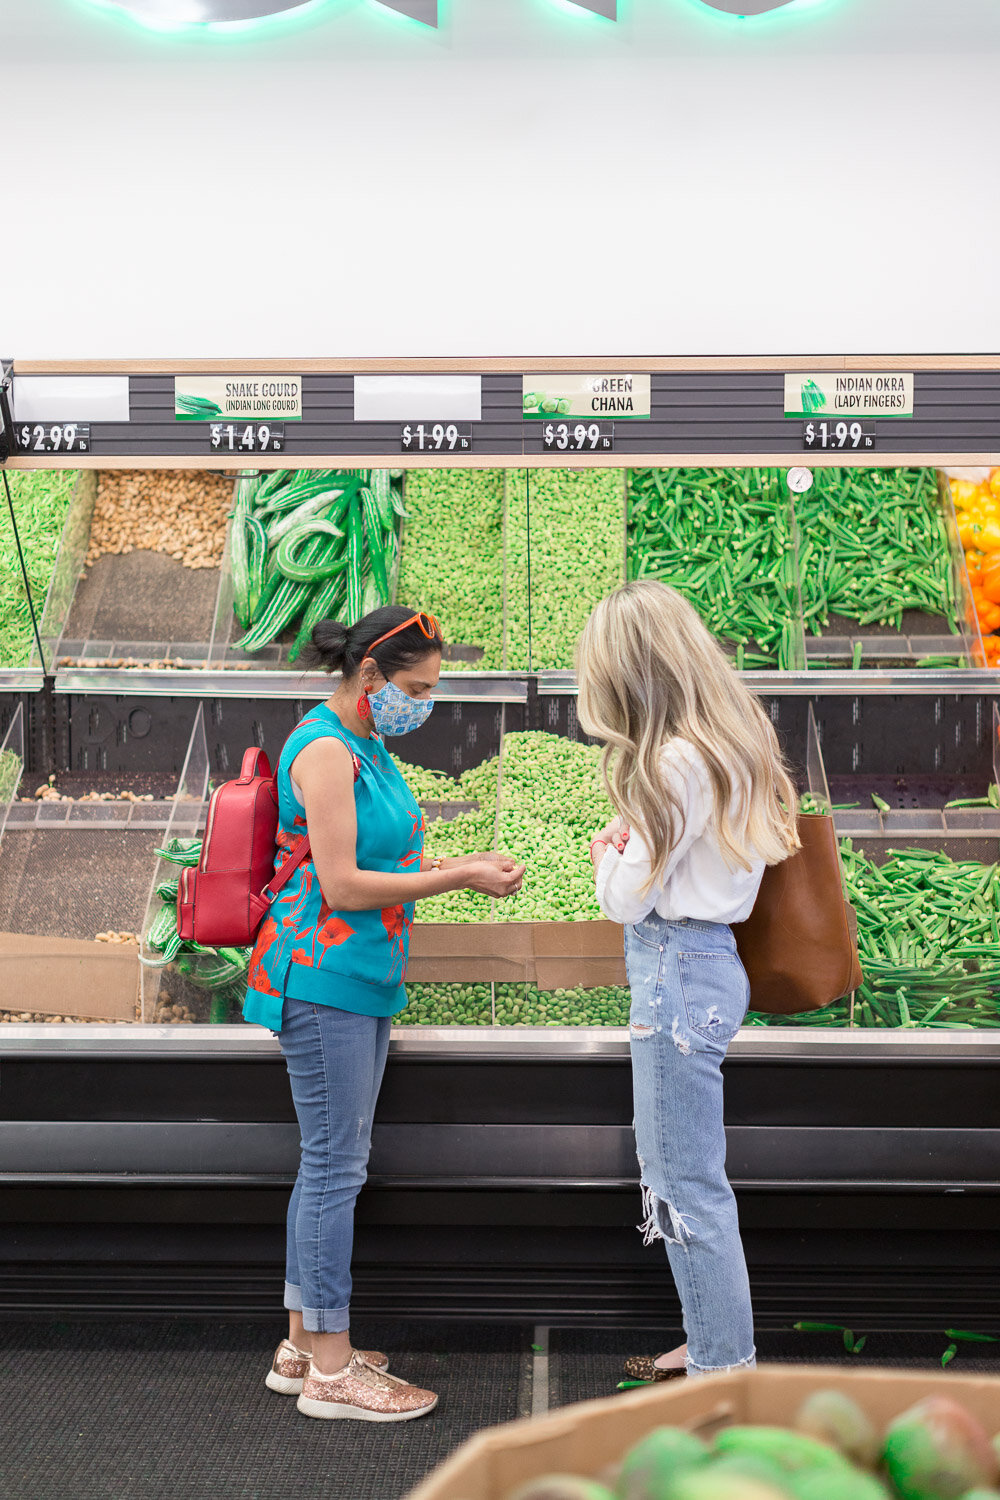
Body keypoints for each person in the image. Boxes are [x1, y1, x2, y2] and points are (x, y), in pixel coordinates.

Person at [243, 605, 525, 1422]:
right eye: (418, 689)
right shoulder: (328, 750)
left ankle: (304, 1345)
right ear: (370, 676)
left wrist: (453, 861)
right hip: (321, 974)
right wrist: (460, 878)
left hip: (358, 975)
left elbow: (382, 856)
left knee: (327, 1162)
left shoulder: (366, 743)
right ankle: (333, 1373)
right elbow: (342, 886)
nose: (425, 705)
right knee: (336, 1168)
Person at [576, 580, 799, 1380]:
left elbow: (625, 899)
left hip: (674, 966)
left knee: (683, 1187)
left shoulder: (670, 760)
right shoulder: (734, 737)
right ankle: (711, 1343)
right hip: (712, 962)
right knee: (689, 1182)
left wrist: (610, 850)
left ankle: (722, 1372)